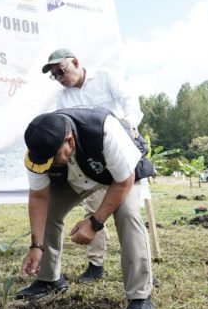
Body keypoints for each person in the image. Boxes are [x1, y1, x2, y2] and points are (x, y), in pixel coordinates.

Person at [16, 107, 154, 309]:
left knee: (128, 215)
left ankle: (140, 297)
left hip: (118, 177)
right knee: (50, 210)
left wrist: (94, 222)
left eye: (52, 159)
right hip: (74, 176)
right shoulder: (39, 151)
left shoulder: (104, 130)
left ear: (69, 141)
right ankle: (49, 279)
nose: (47, 165)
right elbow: (39, 197)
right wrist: (36, 246)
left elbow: (124, 181)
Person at [41, 48, 148, 283]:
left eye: (62, 71)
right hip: (89, 162)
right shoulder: (63, 97)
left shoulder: (106, 77)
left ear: (77, 63)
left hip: (117, 150)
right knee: (93, 208)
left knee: (127, 214)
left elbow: (130, 102)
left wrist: (127, 124)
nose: (60, 78)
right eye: (55, 76)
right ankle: (95, 264)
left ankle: (140, 281)